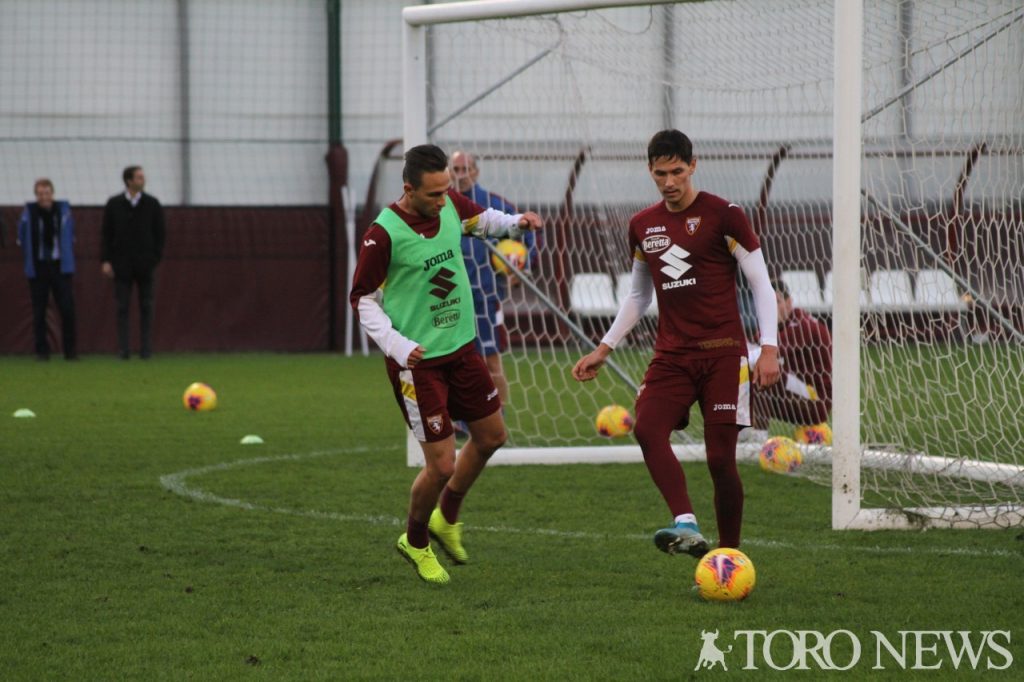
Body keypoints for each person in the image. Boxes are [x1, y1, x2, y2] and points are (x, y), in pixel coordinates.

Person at [572, 129, 780, 557]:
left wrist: (769, 347)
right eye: (660, 173)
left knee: (720, 460)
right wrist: (603, 348)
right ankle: (686, 523)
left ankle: (729, 556)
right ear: (650, 170)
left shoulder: (726, 215)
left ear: (693, 166)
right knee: (647, 429)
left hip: (724, 354)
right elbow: (638, 296)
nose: (669, 182)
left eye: (677, 172)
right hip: (672, 355)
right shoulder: (642, 225)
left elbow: (761, 283)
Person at [350, 144, 542, 585]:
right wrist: (397, 345)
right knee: (440, 465)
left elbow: (479, 220)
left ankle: (446, 517)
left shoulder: (451, 203)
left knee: (492, 436)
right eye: (434, 194)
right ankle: (415, 542)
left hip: (462, 349)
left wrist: (516, 221)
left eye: (447, 191)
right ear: (409, 189)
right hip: (417, 365)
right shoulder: (383, 235)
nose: (443, 200)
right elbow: (362, 300)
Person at [449, 149, 537, 409]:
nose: (461, 175)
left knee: (490, 359)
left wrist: (521, 268)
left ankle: (498, 418)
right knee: (455, 362)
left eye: (466, 169)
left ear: (476, 172)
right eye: (456, 169)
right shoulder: (441, 204)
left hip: (485, 296)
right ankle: (463, 418)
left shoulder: (492, 203)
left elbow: (526, 234)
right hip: (450, 296)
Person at [745, 280, 832, 440]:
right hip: (792, 395)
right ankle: (741, 431)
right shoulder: (771, 328)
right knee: (749, 370)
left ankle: (758, 440)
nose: (770, 307)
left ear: (789, 302)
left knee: (761, 370)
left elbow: (761, 353)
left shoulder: (803, 325)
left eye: (776, 302)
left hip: (815, 403)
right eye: (766, 302)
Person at [100, 166, 166, 359]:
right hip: (122, 265)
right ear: (129, 181)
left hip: (145, 265)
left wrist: (154, 258)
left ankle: (146, 349)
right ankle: (124, 349)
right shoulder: (114, 204)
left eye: (143, 176)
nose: (142, 179)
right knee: (122, 307)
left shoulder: (152, 204)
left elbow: (160, 234)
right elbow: (106, 234)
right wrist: (105, 260)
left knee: (146, 306)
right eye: (138, 177)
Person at [16, 178, 77, 360]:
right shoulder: (29, 213)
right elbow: (22, 237)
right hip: (39, 266)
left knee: (67, 309)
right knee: (39, 310)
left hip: (60, 266)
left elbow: (70, 236)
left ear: (52, 193)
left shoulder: (63, 211)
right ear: (36, 195)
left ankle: (70, 352)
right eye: (40, 194)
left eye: (47, 193)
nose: (44, 197)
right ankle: (42, 352)